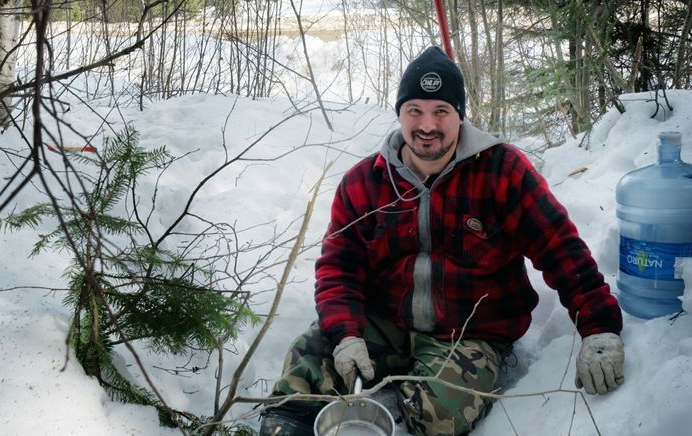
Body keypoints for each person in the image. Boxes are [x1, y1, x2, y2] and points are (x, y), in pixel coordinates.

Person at [259, 46, 625, 436]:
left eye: (441, 112)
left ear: (460, 116)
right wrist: (347, 335)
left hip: (468, 332)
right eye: (414, 110)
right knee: (308, 361)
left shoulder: (503, 171)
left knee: (439, 417)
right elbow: (338, 267)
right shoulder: (363, 183)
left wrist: (599, 327)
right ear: (399, 113)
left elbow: (561, 249)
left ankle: (395, 404)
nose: (427, 125)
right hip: (385, 320)